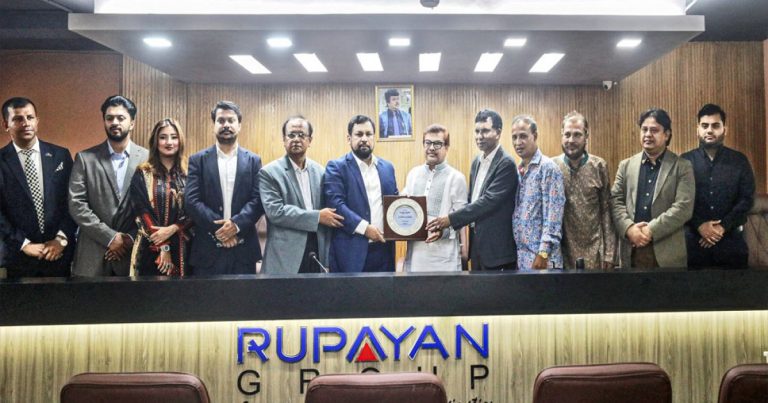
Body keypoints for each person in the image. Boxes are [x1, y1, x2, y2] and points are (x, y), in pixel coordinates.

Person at [426, 109, 518, 270]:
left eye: (485, 131)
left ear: (498, 133)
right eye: (477, 131)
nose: (479, 136)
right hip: (477, 249)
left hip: (497, 253)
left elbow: (487, 202)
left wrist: (449, 220)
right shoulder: (477, 162)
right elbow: (471, 201)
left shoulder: (506, 164)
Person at [68, 95, 149, 276]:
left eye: (121, 118)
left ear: (132, 123)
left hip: (132, 255)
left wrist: (128, 238)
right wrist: (110, 237)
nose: (115, 122)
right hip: (93, 255)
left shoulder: (147, 159)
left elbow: (152, 208)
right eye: (109, 118)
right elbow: (76, 205)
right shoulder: (85, 159)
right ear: (104, 121)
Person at [185, 100, 264, 275]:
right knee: (207, 295)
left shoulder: (253, 161)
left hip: (243, 249)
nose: (226, 125)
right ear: (213, 125)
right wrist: (221, 230)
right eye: (221, 120)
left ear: (239, 125)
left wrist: (236, 225)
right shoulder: (198, 160)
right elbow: (191, 201)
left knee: (243, 295)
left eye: (231, 120)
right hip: (207, 251)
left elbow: (258, 200)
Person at [0, 97, 76, 278]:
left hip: (59, 255)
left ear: (37, 120)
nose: (26, 123)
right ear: (6, 125)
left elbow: (74, 202)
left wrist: (61, 239)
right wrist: (24, 244)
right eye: (18, 119)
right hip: (19, 258)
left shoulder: (60, 156)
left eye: (30, 117)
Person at [610, 108, 695, 268]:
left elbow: (684, 207)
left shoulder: (682, 166)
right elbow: (615, 201)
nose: (648, 134)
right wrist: (629, 229)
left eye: (654, 130)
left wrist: (651, 230)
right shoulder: (626, 166)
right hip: (631, 249)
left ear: (667, 134)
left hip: (668, 254)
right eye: (644, 129)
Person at [258, 116, 343, 274]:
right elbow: (276, 212)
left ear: (310, 140)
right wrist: (317, 217)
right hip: (285, 256)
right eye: (291, 135)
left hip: (316, 249)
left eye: (301, 135)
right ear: (284, 140)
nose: (296, 139)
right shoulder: (269, 173)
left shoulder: (321, 172)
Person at [681, 104, 755, 269]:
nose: (709, 130)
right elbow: (680, 201)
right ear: (697, 130)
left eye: (715, 125)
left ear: (724, 130)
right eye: (704, 125)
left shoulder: (739, 161)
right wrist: (700, 225)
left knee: (735, 286)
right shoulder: (685, 161)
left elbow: (746, 199)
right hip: (694, 242)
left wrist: (722, 227)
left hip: (732, 243)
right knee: (694, 286)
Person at [323, 114, 398, 272]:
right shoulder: (336, 167)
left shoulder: (387, 168)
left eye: (368, 134)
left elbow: (394, 203)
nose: (364, 139)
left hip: (384, 250)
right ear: (349, 138)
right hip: (350, 254)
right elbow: (336, 205)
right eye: (359, 134)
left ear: (374, 137)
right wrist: (365, 229)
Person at [554, 111, 617, 270]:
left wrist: (609, 253)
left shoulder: (599, 166)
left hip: (595, 253)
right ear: (561, 135)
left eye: (577, 135)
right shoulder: (553, 167)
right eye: (567, 134)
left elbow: (606, 211)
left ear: (586, 136)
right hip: (563, 254)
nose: (571, 140)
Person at [129, 118, 192, 276]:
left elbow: (194, 210)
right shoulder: (142, 173)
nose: (169, 142)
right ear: (155, 142)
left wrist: (174, 228)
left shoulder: (190, 173)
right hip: (150, 247)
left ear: (180, 141)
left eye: (174, 137)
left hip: (184, 246)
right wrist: (164, 246)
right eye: (163, 137)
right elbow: (141, 212)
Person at [403, 124, 468, 272]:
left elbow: (462, 219)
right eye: (428, 143)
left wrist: (443, 232)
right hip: (416, 258)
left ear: (447, 147)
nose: (431, 148)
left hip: (444, 258)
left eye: (437, 144)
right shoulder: (413, 174)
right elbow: (403, 205)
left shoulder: (456, 178)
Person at [510, 114, 565, 271]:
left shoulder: (548, 168)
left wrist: (543, 253)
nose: (518, 142)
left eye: (523, 136)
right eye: (514, 137)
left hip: (543, 261)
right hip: (522, 260)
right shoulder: (518, 170)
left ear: (535, 136)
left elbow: (554, 216)